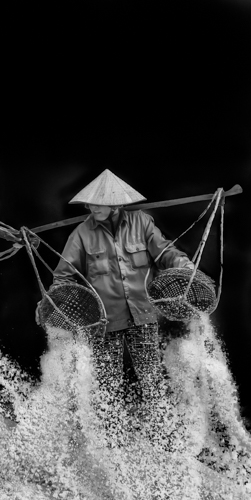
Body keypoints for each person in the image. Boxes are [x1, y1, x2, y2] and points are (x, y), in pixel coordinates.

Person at [44, 169, 194, 405]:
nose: (92, 209)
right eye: (90, 205)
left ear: (115, 204)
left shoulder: (141, 222)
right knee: (106, 385)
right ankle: (110, 438)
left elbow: (165, 252)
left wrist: (183, 264)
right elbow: (64, 276)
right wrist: (58, 298)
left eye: (99, 204)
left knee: (151, 378)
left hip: (143, 314)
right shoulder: (81, 234)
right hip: (104, 321)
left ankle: (161, 433)